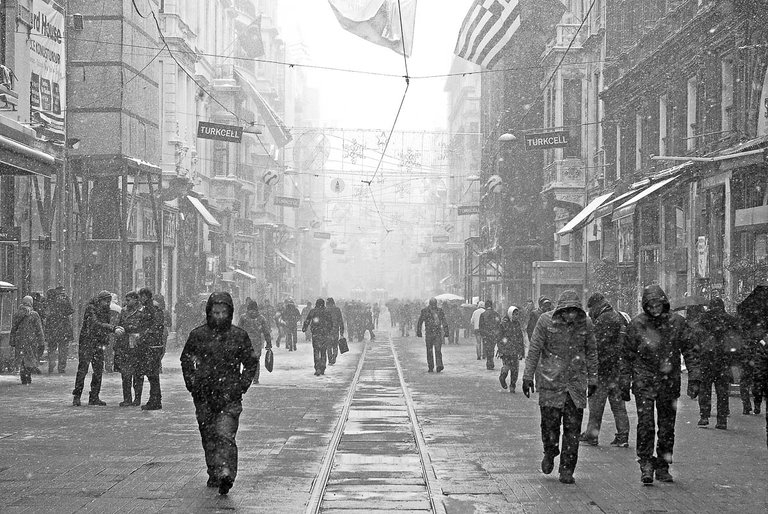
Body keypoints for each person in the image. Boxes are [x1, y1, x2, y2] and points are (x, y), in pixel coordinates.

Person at [620, 285, 700, 485]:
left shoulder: (677, 323)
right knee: (646, 424)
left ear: (664, 304)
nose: (655, 308)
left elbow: (690, 349)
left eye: (658, 304)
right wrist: (624, 380)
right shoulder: (637, 324)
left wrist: (695, 377)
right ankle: (646, 463)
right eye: (651, 305)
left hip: (668, 380)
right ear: (646, 306)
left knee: (666, 426)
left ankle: (663, 465)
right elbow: (626, 355)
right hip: (644, 379)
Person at [180, 292, 259, 495]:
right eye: (216, 312)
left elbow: (250, 362)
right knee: (208, 435)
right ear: (209, 312)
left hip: (229, 395)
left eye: (224, 312)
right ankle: (214, 471)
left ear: (230, 313)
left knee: (225, 435)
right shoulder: (198, 335)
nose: (220, 316)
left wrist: (241, 385)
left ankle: (226, 473)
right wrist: (192, 383)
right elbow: (186, 360)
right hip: (204, 395)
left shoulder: (239, 335)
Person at [522, 290, 598, 485]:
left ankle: (567, 470)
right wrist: (528, 376)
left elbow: (591, 352)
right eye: (567, 311)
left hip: (575, 386)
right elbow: (535, 349)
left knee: (572, 431)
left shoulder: (586, 324)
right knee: (549, 427)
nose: (570, 316)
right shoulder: (546, 322)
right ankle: (550, 451)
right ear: (561, 309)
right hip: (550, 384)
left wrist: (593, 379)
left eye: (574, 311)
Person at [580, 293, 630, 447]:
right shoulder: (617, 316)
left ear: (596, 305)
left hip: (603, 370)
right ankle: (623, 436)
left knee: (596, 404)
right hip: (616, 369)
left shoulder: (603, 320)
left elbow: (597, 346)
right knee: (618, 405)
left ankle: (592, 435)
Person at [696, 297, 738, 430]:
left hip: (707, 359)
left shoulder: (703, 319)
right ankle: (722, 419)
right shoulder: (730, 320)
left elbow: (697, 338)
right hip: (723, 361)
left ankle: (704, 416)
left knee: (705, 390)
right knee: (722, 391)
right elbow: (735, 341)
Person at [72, 290, 120, 406]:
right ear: (100, 300)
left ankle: (94, 396)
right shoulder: (91, 309)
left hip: (98, 343)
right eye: (106, 301)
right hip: (87, 343)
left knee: (98, 371)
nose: (107, 303)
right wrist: (112, 328)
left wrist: (106, 337)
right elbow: (95, 324)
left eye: (109, 301)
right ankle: (77, 396)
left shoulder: (105, 310)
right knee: (83, 370)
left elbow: (102, 326)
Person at [137, 288, 165, 410]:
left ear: (146, 296)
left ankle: (155, 400)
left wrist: (145, 334)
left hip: (153, 345)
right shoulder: (147, 308)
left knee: (152, 373)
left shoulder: (153, 308)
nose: (140, 299)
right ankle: (154, 399)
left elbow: (156, 325)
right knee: (151, 374)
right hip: (149, 344)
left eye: (142, 296)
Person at [115, 291, 144, 406]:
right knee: (126, 374)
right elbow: (119, 324)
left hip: (137, 346)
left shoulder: (142, 311)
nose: (126, 303)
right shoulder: (123, 311)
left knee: (138, 374)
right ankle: (127, 398)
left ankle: (137, 399)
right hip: (125, 345)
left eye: (129, 300)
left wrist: (134, 329)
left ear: (135, 300)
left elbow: (143, 326)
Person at [10, 296, 45, 385]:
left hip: (19, 340)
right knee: (29, 358)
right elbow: (39, 329)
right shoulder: (34, 314)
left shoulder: (17, 314)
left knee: (22, 358)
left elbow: (13, 328)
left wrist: (12, 340)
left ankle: (23, 377)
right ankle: (27, 376)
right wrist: (41, 341)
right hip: (31, 340)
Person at [237, 300, 271, 384]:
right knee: (256, 360)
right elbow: (266, 332)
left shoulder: (243, 317)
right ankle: (255, 378)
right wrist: (269, 342)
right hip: (257, 342)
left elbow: (238, 330)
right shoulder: (261, 318)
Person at [44, 285, 74, 373]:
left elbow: (46, 311)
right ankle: (61, 367)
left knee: (52, 347)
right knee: (63, 349)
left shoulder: (50, 299)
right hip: (64, 327)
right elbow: (71, 310)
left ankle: (51, 364)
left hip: (52, 327)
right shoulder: (65, 299)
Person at [416, 298, 449, 373]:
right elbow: (420, 321)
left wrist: (446, 330)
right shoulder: (425, 311)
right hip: (430, 333)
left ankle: (438, 365)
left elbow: (444, 321)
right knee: (431, 350)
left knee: (436, 350)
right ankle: (432, 366)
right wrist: (419, 331)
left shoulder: (439, 311)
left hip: (435, 333)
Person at [498, 306, 525, 392]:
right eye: (514, 314)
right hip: (506, 350)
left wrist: (521, 351)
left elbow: (520, 338)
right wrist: (501, 350)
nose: (516, 316)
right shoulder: (504, 324)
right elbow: (499, 338)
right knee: (507, 366)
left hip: (515, 350)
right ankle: (503, 377)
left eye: (517, 314)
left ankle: (512, 385)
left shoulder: (517, 324)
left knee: (515, 369)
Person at [303, 298, 333, 376]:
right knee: (323, 351)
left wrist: (305, 327)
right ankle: (323, 367)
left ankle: (317, 367)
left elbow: (307, 320)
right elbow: (331, 323)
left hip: (316, 334)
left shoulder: (313, 311)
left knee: (316, 351)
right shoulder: (327, 312)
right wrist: (328, 330)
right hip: (324, 334)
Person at [479, 300, 501, 370]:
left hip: (486, 334)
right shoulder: (496, 314)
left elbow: (481, 326)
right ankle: (490, 360)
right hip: (494, 334)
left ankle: (489, 361)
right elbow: (498, 323)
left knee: (488, 348)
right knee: (492, 348)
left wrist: (483, 334)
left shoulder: (483, 315)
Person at [326, 298, 345, 365]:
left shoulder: (326, 310)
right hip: (335, 330)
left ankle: (330, 359)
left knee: (328, 346)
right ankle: (334, 356)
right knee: (335, 345)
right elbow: (341, 321)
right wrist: (341, 331)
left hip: (327, 331)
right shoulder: (337, 309)